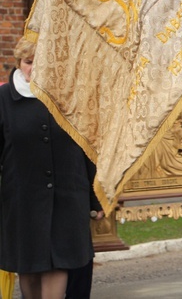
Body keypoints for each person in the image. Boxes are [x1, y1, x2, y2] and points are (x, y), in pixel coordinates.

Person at [0, 37, 104, 299]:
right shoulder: (3, 99)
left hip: (68, 198)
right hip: (22, 201)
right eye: (28, 62)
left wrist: (96, 198)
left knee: (60, 263)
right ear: (19, 63)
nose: (33, 68)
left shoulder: (72, 96)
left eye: (41, 62)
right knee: (30, 271)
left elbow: (87, 149)